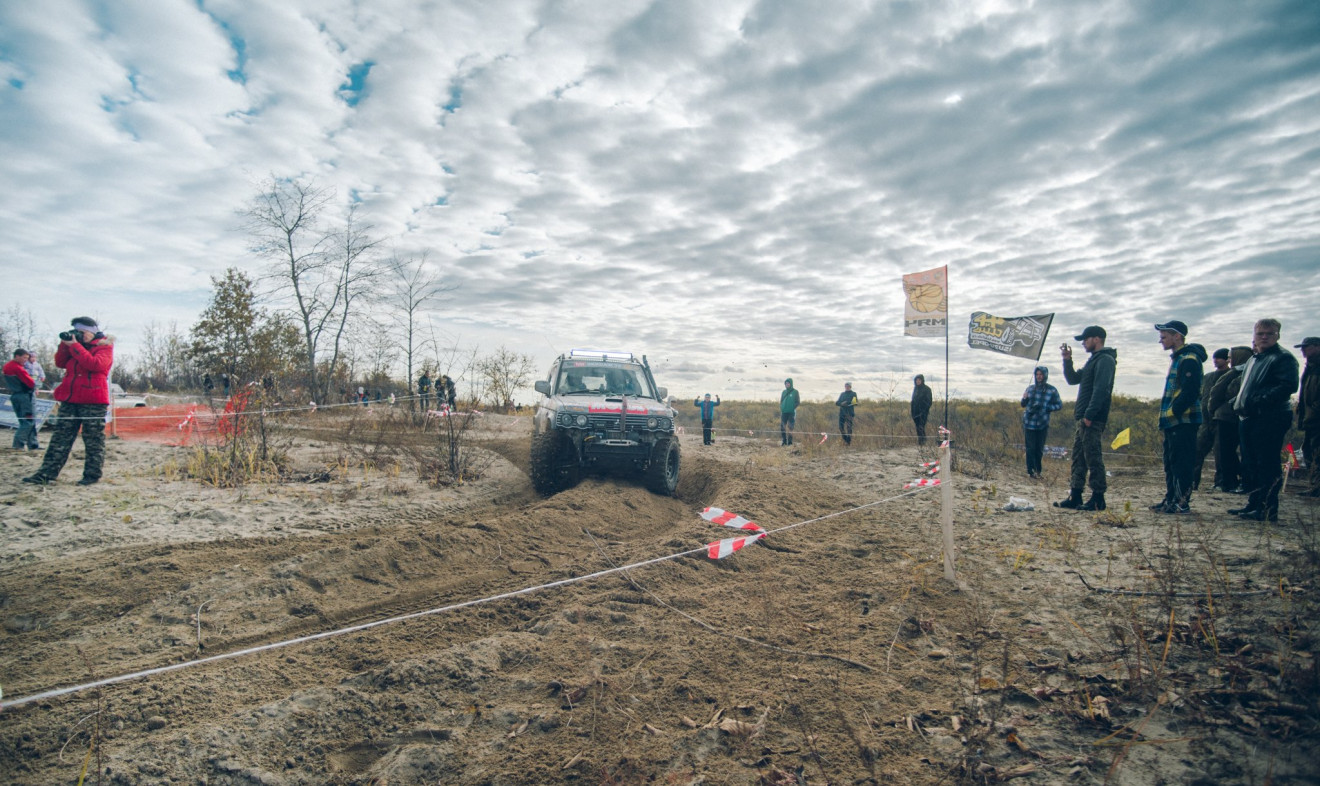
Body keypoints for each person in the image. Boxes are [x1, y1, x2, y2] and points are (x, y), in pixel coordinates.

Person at [23, 317, 113, 485]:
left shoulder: (104, 346)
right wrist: (65, 345)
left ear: (92, 332)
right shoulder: (75, 346)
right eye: (76, 332)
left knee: (93, 439)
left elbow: (96, 365)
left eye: (82, 333)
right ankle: (46, 474)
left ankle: (91, 476)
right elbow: (60, 362)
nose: (79, 335)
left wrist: (76, 346)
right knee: (60, 437)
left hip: (93, 400)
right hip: (70, 398)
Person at [1229, 318, 1299, 522]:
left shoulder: (1283, 358)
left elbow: (1288, 386)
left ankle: (1268, 508)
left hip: (1270, 416)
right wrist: (1238, 401)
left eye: (1270, 333)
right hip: (1250, 416)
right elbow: (1249, 386)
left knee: (1267, 462)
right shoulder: (1254, 359)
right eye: (1261, 334)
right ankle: (1254, 503)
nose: (1265, 337)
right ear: (1254, 335)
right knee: (1251, 462)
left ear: (1278, 335)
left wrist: (1258, 401)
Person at [1055, 325, 1117, 511]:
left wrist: (1089, 416)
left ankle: (1098, 498)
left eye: (1085, 339)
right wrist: (1067, 360)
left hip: (1092, 419)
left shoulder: (1105, 360)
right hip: (1083, 419)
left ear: (1096, 339)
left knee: (1093, 457)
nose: (1083, 343)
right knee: (1078, 458)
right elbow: (1073, 379)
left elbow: (1101, 390)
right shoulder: (1093, 360)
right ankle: (1075, 496)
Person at [1151, 321, 1206, 515]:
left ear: (1177, 336)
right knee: (1171, 462)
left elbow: (1191, 392)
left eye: (1164, 336)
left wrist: (1173, 411)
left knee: (1181, 463)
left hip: (1183, 421)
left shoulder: (1188, 359)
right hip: (1173, 421)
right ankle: (1171, 498)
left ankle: (1181, 501)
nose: (1160, 340)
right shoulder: (1179, 358)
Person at [1208, 346, 1252, 495]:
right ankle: (1233, 480)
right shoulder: (1249, 371)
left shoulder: (1235, 373)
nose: (1229, 360)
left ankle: (1228, 482)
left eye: (1230, 357)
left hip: (1227, 416)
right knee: (1235, 452)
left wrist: (1213, 410)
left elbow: (1216, 393)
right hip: (1237, 416)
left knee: (1225, 452)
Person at [1193, 348, 1230, 490]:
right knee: (1197, 450)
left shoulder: (1231, 375)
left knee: (1221, 454)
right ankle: (1193, 481)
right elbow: (1200, 394)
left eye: (1219, 358)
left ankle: (1221, 483)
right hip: (1204, 420)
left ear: (1227, 360)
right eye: (1215, 358)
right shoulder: (1207, 377)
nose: (1216, 360)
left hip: (1221, 420)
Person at [1020, 366, 1063, 478]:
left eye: (1041, 374)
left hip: (1042, 423)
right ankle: (1031, 472)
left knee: (1039, 449)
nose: (1039, 377)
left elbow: (1059, 405)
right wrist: (1025, 398)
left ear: (1045, 375)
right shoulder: (1030, 389)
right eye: (1037, 374)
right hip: (1029, 422)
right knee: (1030, 448)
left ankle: (1038, 471)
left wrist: (1046, 407)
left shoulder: (1052, 390)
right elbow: (1023, 404)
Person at [1293, 336, 1319, 497]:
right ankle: (1315, 487)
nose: (1303, 350)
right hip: (1311, 420)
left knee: (1317, 453)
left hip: (1316, 418)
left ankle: (1317, 488)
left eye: (1306, 347)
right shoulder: (1310, 367)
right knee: (1310, 451)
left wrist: (1315, 411)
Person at [3, 349, 41, 450]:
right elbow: (31, 383)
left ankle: (33, 444)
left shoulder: (7, 366)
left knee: (24, 420)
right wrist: (36, 384)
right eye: (24, 358)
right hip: (25, 397)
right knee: (28, 421)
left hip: (15, 395)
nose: (26, 360)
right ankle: (18, 445)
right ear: (17, 356)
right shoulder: (18, 368)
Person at [910, 375, 933, 446]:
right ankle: (921, 442)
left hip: (923, 412)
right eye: (916, 380)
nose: (918, 381)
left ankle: (922, 442)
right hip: (915, 412)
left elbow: (929, 401)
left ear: (922, 380)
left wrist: (923, 410)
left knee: (921, 427)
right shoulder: (915, 389)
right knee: (917, 427)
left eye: (919, 380)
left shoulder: (927, 389)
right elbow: (913, 401)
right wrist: (912, 411)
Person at [780, 378, 799, 446]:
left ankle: (790, 442)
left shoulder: (795, 392)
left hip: (791, 412)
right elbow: (781, 401)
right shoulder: (783, 392)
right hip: (784, 412)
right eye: (786, 383)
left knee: (791, 427)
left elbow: (797, 402)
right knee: (782, 427)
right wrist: (782, 407)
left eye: (788, 383)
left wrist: (792, 408)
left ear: (791, 383)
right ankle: (784, 441)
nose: (787, 384)